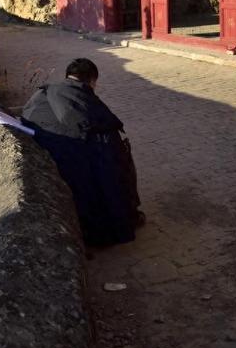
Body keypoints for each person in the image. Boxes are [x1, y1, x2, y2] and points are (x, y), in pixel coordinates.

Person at [22, 58, 144, 246]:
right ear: (92, 81)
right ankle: (119, 221)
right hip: (82, 166)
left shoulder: (44, 93)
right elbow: (106, 128)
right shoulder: (84, 97)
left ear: (67, 76)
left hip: (48, 156)